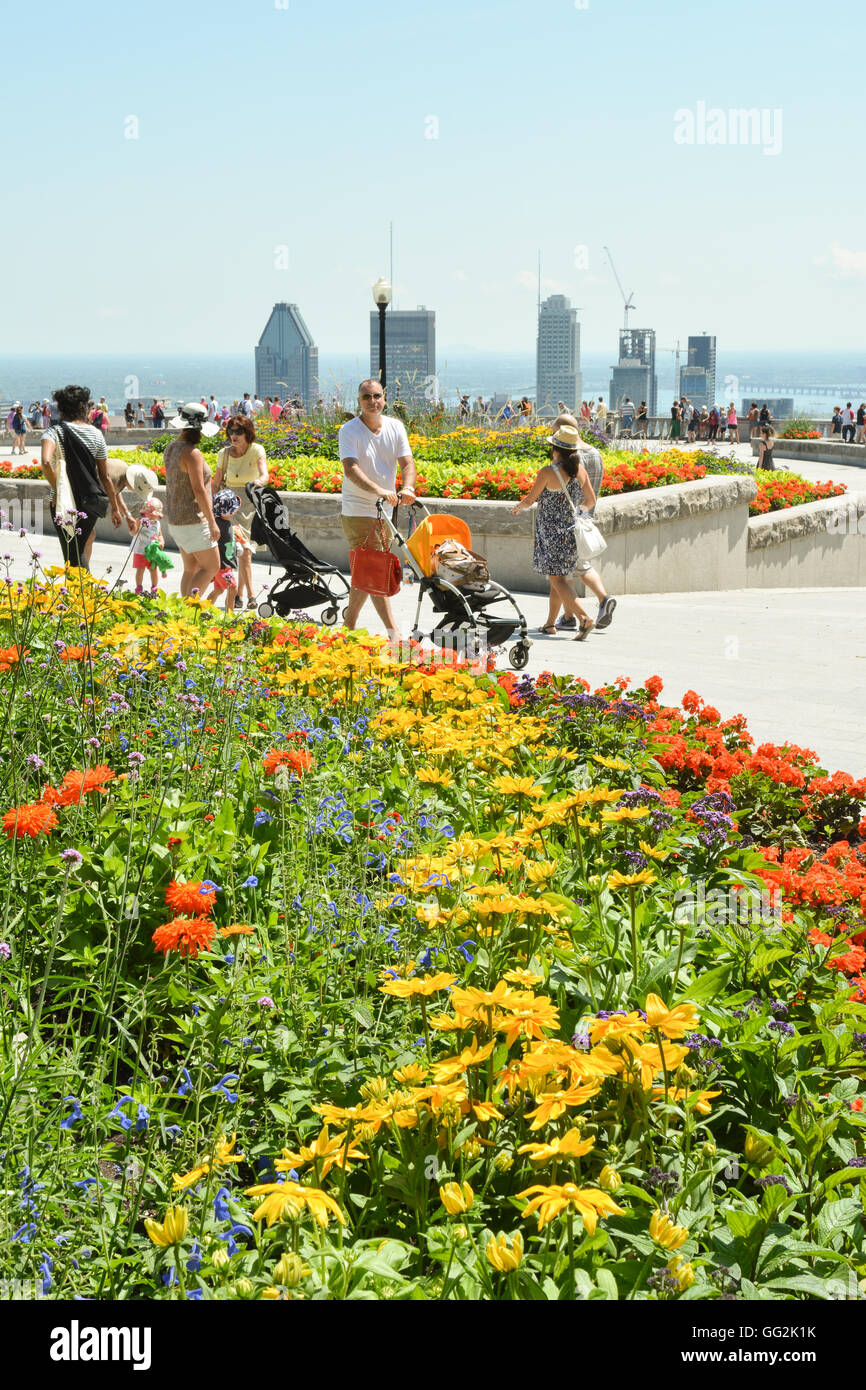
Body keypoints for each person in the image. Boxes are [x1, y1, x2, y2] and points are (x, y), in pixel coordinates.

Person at [340, 379, 417, 641]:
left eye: (377, 396)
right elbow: (351, 469)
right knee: (373, 566)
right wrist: (379, 490)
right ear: (358, 401)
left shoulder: (396, 427)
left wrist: (407, 488)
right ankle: (393, 632)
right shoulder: (349, 431)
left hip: (384, 510)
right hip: (358, 509)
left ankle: (348, 627)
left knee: (367, 567)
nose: (372, 401)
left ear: (384, 398)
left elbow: (407, 463)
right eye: (366, 397)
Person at [511, 423, 597, 641]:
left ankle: (585, 618)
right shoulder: (579, 471)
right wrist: (577, 512)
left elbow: (531, 499)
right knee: (558, 579)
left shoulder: (549, 472)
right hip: (570, 532)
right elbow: (591, 501)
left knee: (558, 580)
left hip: (551, 534)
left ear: (556, 449)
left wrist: (519, 507)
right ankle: (550, 624)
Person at [39, 383, 128, 569]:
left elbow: (46, 463)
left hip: (63, 503)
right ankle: (81, 593)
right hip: (90, 502)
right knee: (76, 550)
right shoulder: (96, 434)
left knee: (72, 553)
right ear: (83, 408)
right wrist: (115, 508)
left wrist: (57, 489)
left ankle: (81, 594)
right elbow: (105, 477)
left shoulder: (53, 432)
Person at [210, 414, 269, 610]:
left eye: (239, 432)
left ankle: (239, 595)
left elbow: (264, 474)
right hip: (229, 507)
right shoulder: (224, 453)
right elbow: (216, 482)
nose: (234, 436)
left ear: (247, 433)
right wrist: (209, 510)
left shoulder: (256, 450)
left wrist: (256, 484)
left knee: (245, 553)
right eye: (231, 432)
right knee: (243, 552)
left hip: (249, 504)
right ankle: (251, 595)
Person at [163, 401, 221, 597]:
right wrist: (212, 522)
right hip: (193, 520)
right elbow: (198, 489)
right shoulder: (192, 453)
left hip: (176, 519)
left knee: (191, 568)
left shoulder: (171, 448)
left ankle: (182, 613)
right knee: (212, 567)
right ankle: (190, 610)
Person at [204, 489, 242, 613]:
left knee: (219, 590)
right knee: (233, 588)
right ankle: (229, 614)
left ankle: (205, 610)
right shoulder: (220, 525)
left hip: (224, 565)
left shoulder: (223, 522)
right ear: (227, 510)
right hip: (223, 566)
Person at [131, 496, 166, 597]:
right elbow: (133, 533)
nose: (151, 518)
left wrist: (161, 541)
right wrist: (135, 526)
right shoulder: (140, 521)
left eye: (154, 516)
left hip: (152, 552)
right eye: (149, 515)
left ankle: (154, 587)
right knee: (140, 569)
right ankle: (139, 587)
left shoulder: (157, 524)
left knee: (153, 569)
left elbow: (159, 535)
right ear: (144, 513)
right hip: (140, 550)